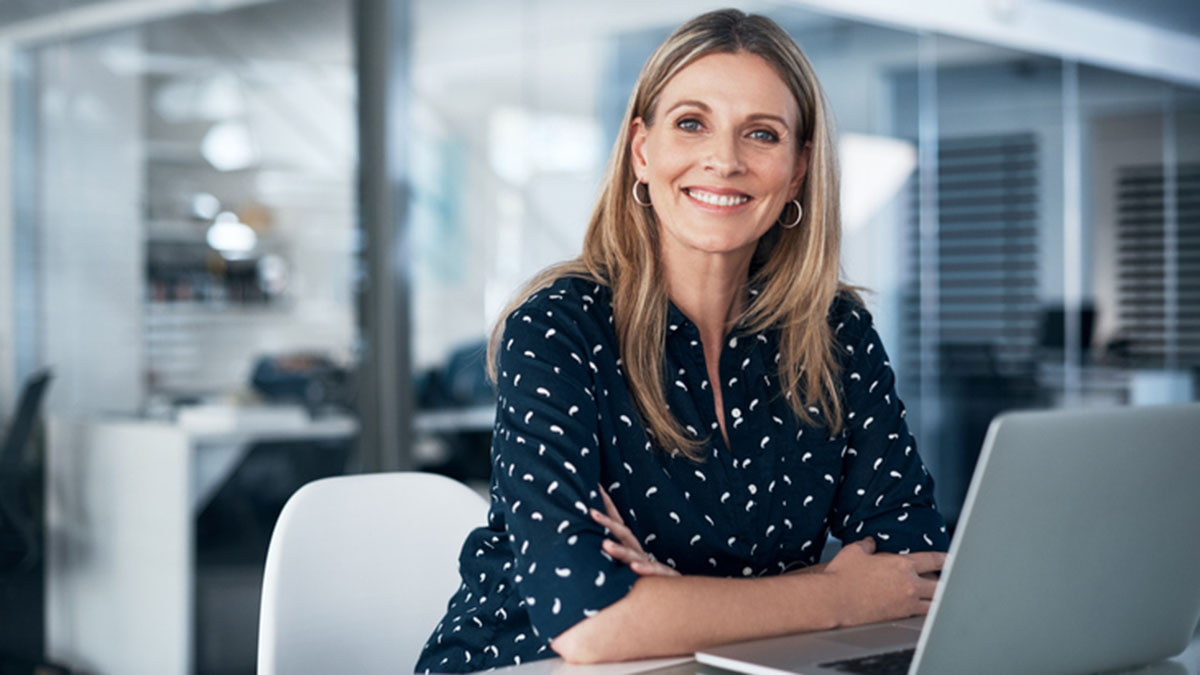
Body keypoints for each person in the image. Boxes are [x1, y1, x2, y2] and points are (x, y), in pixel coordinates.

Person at [414, 9, 948, 673]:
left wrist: (676, 602)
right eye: (692, 123)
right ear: (642, 151)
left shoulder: (835, 331)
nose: (724, 160)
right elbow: (588, 621)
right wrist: (836, 595)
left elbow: (915, 567)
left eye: (762, 133)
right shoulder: (558, 329)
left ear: (798, 169)